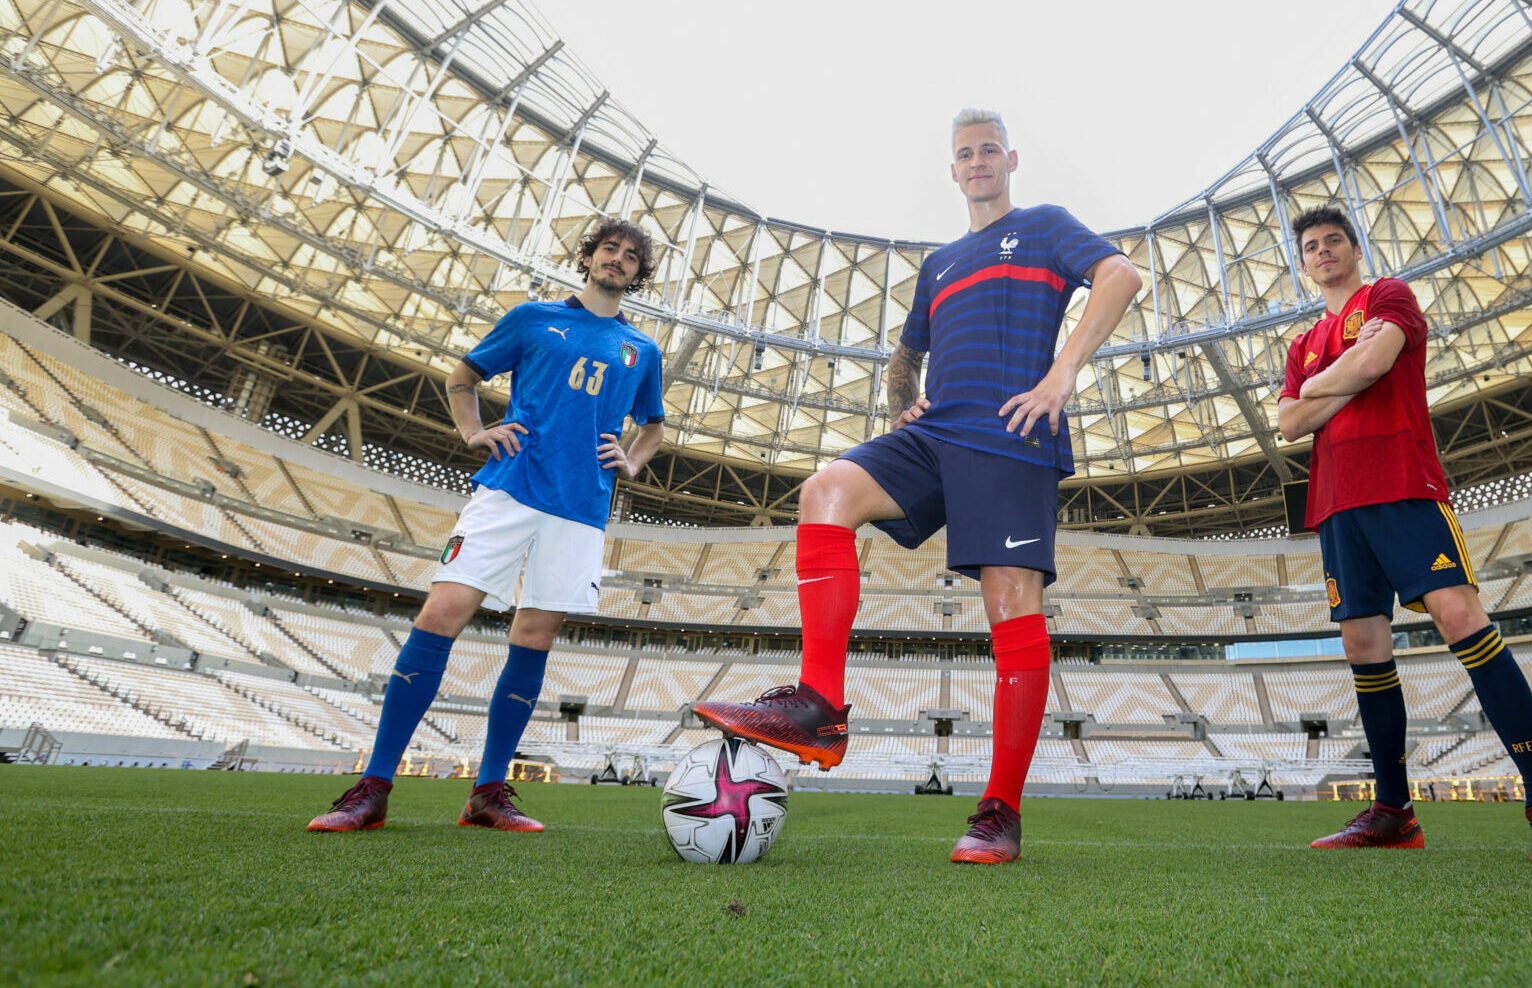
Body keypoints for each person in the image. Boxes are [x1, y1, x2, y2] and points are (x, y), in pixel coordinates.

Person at [693, 108, 1142, 864]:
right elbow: (904, 355)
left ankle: (999, 811)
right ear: (953, 167)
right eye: (964, 153)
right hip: (935, 434)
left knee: (1009, 605)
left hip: (1009, 430)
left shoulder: (1043, 225)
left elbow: (1120, 275)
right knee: (825, 492)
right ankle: (818, 708)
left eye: (988, 149)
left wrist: (1060, 375)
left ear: (1011, 159)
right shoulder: (940, 265)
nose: (977, 162)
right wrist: (904, 400)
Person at [307, 217, 666, 832]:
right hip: (508, 490)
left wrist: (632, 459)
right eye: (610, 248)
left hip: (581, 508)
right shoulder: (533, 318)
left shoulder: (643, 350)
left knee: (534, 636)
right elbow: (462, 378)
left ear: (639, 273)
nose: (619, 260)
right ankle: (373, 786)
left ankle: (488, 792)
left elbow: (653, 423)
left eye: (632, 256)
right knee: (441, 613)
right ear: (589, 257)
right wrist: (474, 432)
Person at [1276, 205, 1532, 864]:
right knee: (1363, 643)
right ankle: (1393, 812)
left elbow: (1373, 363)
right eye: (1311, 245)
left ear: (1354, 250)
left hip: (1402, 483)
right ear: (1301, 263)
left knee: (1458, 616)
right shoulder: (1301, 343)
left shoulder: (1388, 297)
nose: (1324, 250)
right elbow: (1288, 424)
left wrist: (1323, 388)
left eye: (1334, 239)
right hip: (1335, 502)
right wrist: (1337, 381)